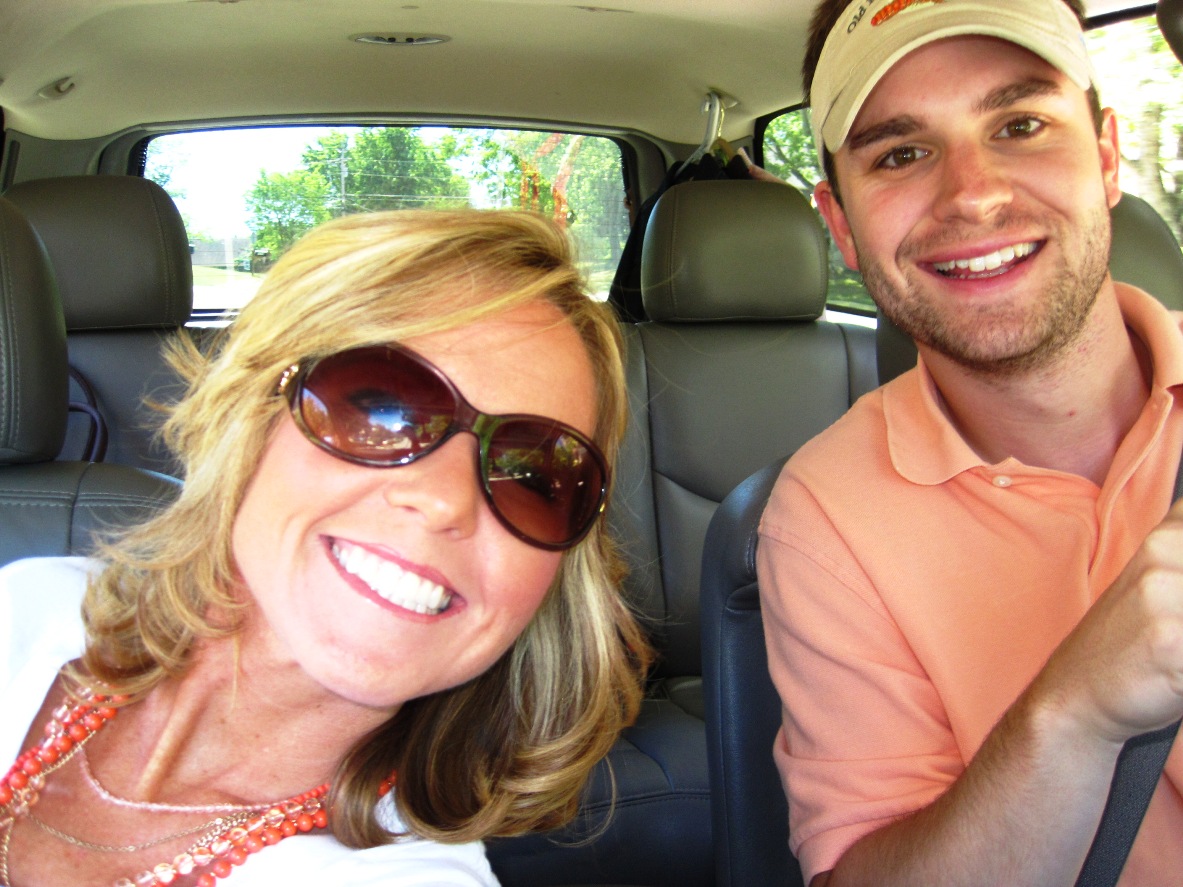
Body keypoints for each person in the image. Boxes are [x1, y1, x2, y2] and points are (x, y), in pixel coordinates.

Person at [0, 208, 652, 886]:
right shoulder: (26, 605)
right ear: (251, 409)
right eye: (382, 410)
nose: (444, 500)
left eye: (534, 477)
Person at [757, 1, 1183, 885]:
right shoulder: (824, 518)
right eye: (900, 154)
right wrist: (1073, 710)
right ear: (840, 226)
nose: (973, 193)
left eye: (1019, 125)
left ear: (1106, 157)